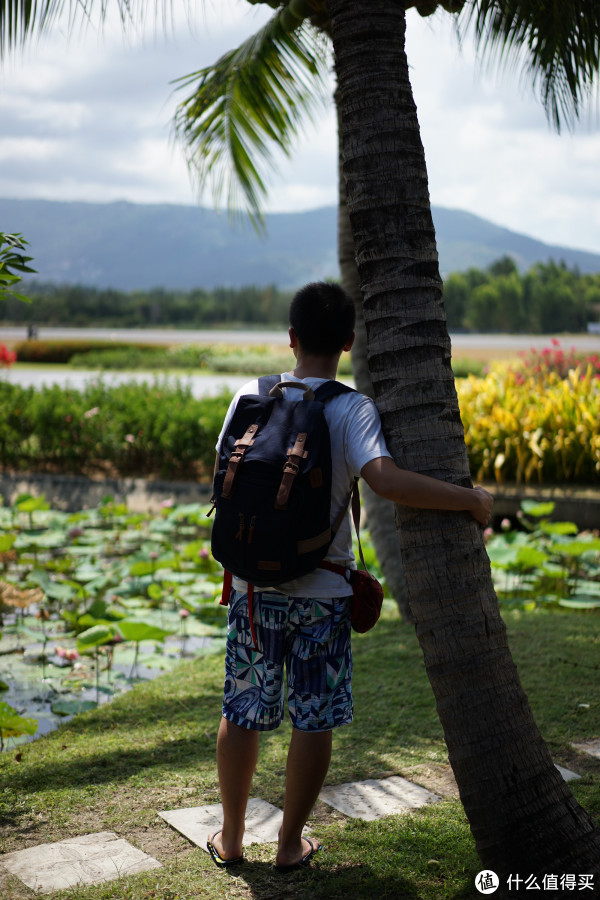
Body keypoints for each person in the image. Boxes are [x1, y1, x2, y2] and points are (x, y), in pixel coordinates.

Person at [207, 281, 493, 872]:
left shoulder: (246, 397)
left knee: (242, 710)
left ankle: (231, 840)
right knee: (312, 717)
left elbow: (225, 482)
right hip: (323, 592)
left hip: (253, 594)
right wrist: (468, 499)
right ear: (348, 341)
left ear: (290, 339)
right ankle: (288, 845)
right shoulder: (351, 408)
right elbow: (385, 480)